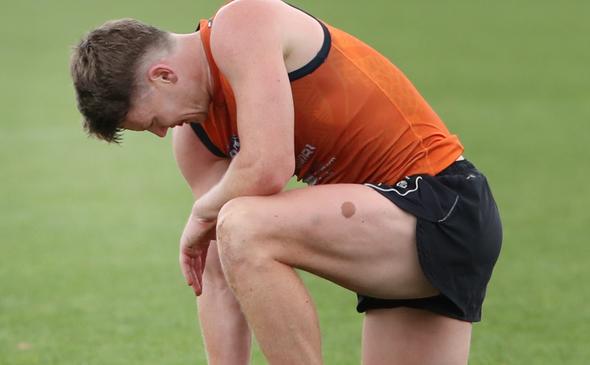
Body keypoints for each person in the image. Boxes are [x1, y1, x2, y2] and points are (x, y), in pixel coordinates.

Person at [70, 0, 502, 363]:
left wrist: (201, 215)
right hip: (386, 236)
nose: (163, 132)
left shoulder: (242, 22)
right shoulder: (195, 140)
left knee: (242, 222)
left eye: (152, 121)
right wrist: (206, 224)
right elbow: (217, 273)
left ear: (163, 75)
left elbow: (266, 167)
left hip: (441, 204)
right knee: (233, 229)